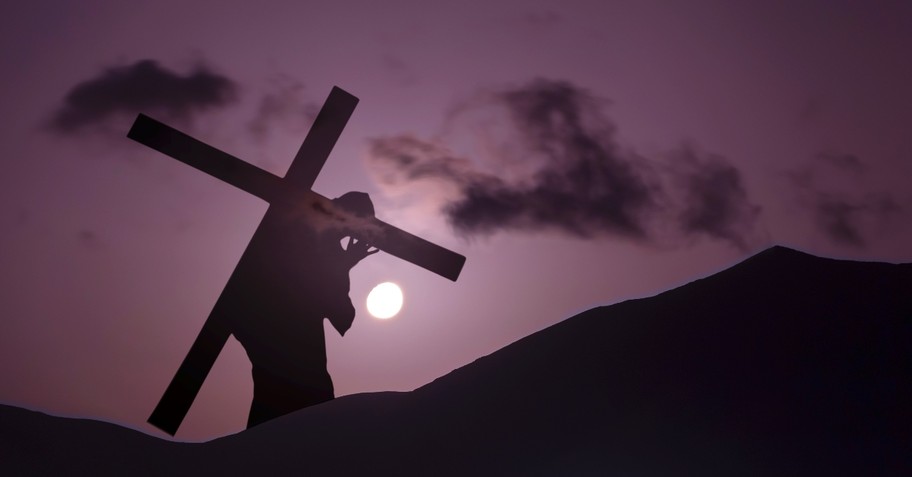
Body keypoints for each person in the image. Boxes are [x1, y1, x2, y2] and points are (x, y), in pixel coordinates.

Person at [225, 191, 378, 427]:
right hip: (281, 336)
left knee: (282, 402)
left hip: (280, 336)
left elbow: (342, 316)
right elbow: (338, 311)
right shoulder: (305, 234)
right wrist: (343, 266)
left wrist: (344, 265)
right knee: (292, 402)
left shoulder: (322, 242)